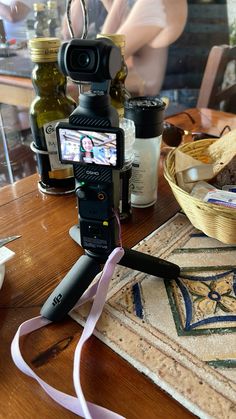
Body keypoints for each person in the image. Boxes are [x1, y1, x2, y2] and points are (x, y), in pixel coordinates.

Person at [62, 0, 188, 96]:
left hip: (164, 105)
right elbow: (69, 31)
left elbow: (103, 60)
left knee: (64, 92)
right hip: (126, 95)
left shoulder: (154, 3)